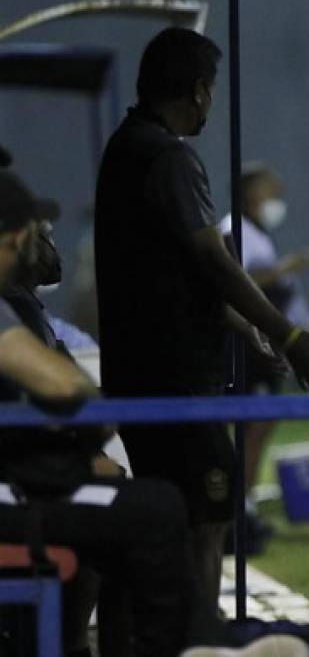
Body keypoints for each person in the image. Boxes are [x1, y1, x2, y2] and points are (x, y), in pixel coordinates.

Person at [94, 27, 309, 617]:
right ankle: (197, 636)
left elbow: (170, 271)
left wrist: (237, 322)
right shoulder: (169, 156)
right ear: (200, 91)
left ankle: (172, 632)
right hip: (174, 378)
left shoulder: (125, 148)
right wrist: (291, 334)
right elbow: (211, 260)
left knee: (176, 513)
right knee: (206, 513)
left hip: (140, 371)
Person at [0, 168, 199, 655]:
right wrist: (83, 434)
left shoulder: (20, 306)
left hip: (15, 486)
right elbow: (65, 383)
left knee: (125, 503)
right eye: (37, 231)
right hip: (9, 499)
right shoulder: (9, 309)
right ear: (19, 236)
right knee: (157, 510)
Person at [220, 161, 309, 554]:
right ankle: (236, 508)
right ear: (251, 194)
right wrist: (282, 271)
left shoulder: (255, 232)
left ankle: (245, 505)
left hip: (263, 347)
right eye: (270, 193)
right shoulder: (234, 230)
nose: (276, 202)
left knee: (259, 426)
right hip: (244, 349)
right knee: (251, 426)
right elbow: (232, 283)